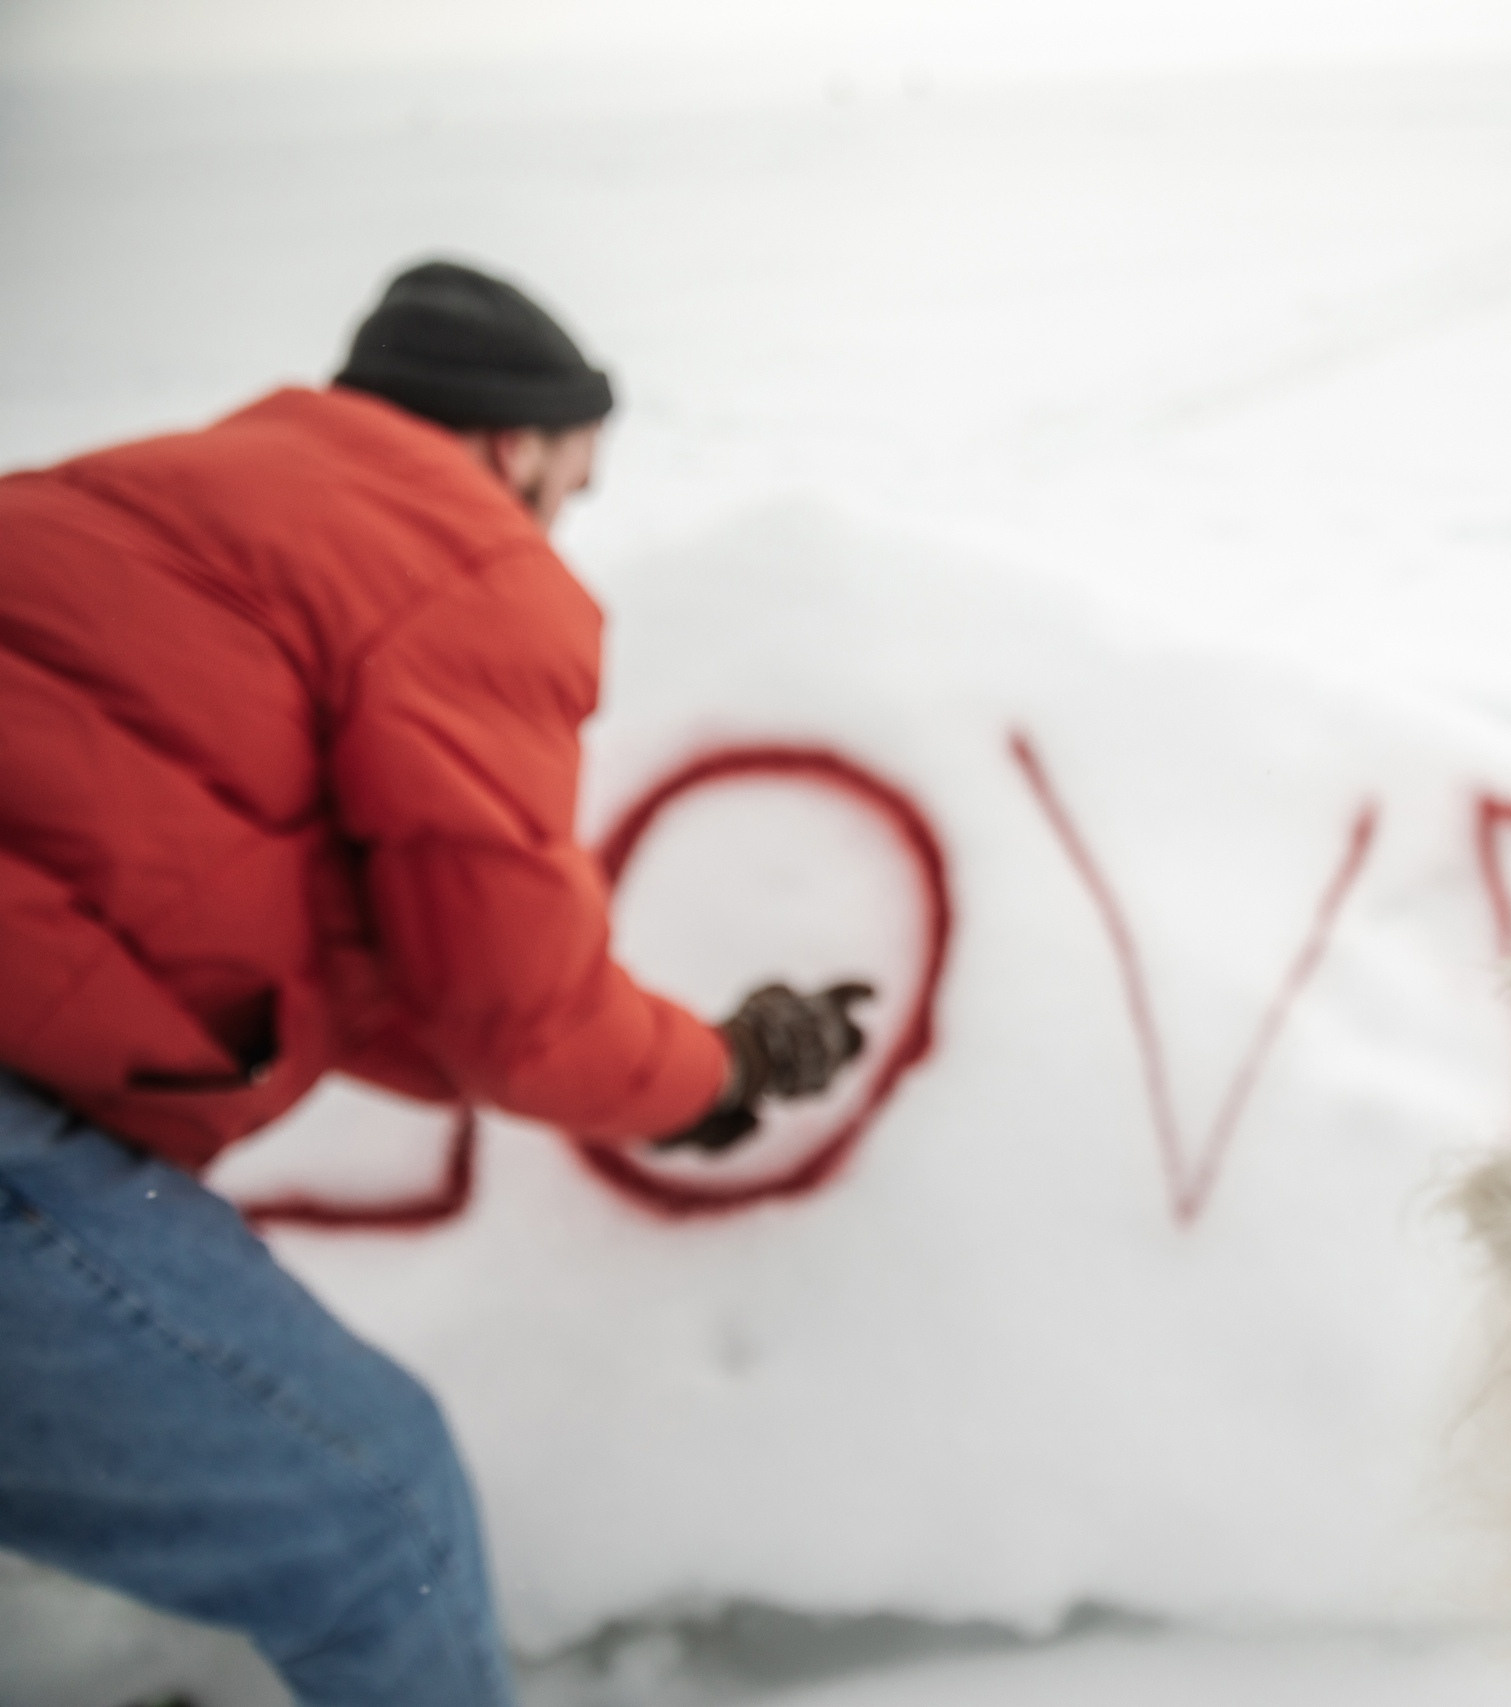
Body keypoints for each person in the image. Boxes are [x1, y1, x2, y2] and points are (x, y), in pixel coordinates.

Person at [0, 260, 871, 1704]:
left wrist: (654, 1073)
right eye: (570, 490)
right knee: (375, 1514)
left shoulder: (142, 502)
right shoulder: (457, 561)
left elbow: (370, 957)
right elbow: (512, 1008)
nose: (557, 528)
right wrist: (718, 1072)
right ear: (515, 445)